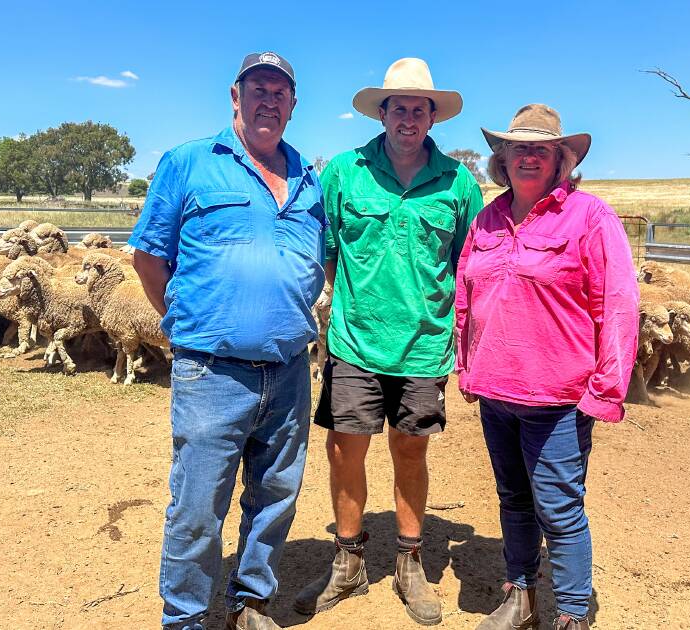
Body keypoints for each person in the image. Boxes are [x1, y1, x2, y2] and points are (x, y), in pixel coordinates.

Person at [129, 51, 326, 630]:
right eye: (257, 88)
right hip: (212, 371)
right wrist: (188, 322)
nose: (269, 99)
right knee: (197, 507)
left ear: (293, 105)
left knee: (275, 496)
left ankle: (250, 603)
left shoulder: (309, 178)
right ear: (235, 97)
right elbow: (148, 256)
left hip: (289, 367)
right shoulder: (189, 162)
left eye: (280, 92)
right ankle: (186, 617)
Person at [294, 58, 484, 626]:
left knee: (410, 447)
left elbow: (469, 260)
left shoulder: (458, 183)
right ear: (381, 113)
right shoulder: (345, 173)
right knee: (344, 446)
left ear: (432, 117)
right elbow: (325, 253)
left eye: (418, 109)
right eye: (397, 107)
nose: (408, 117)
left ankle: (408, 561)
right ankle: (348, 561)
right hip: (355, 342)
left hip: (424, 347)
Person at [454, 104, 639, 630]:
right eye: (519, 148)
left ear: (561, 159)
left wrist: (607, 388)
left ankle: (573, 613)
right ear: (502, 158)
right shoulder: (487, 219)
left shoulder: (590, 217)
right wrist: (467, 364)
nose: (528, 157)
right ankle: (522, 596)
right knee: (513, 498)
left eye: (541, 149)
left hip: (558, 394)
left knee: (557, 507)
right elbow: (468, 293)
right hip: (496, 389)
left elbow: (619, 304)